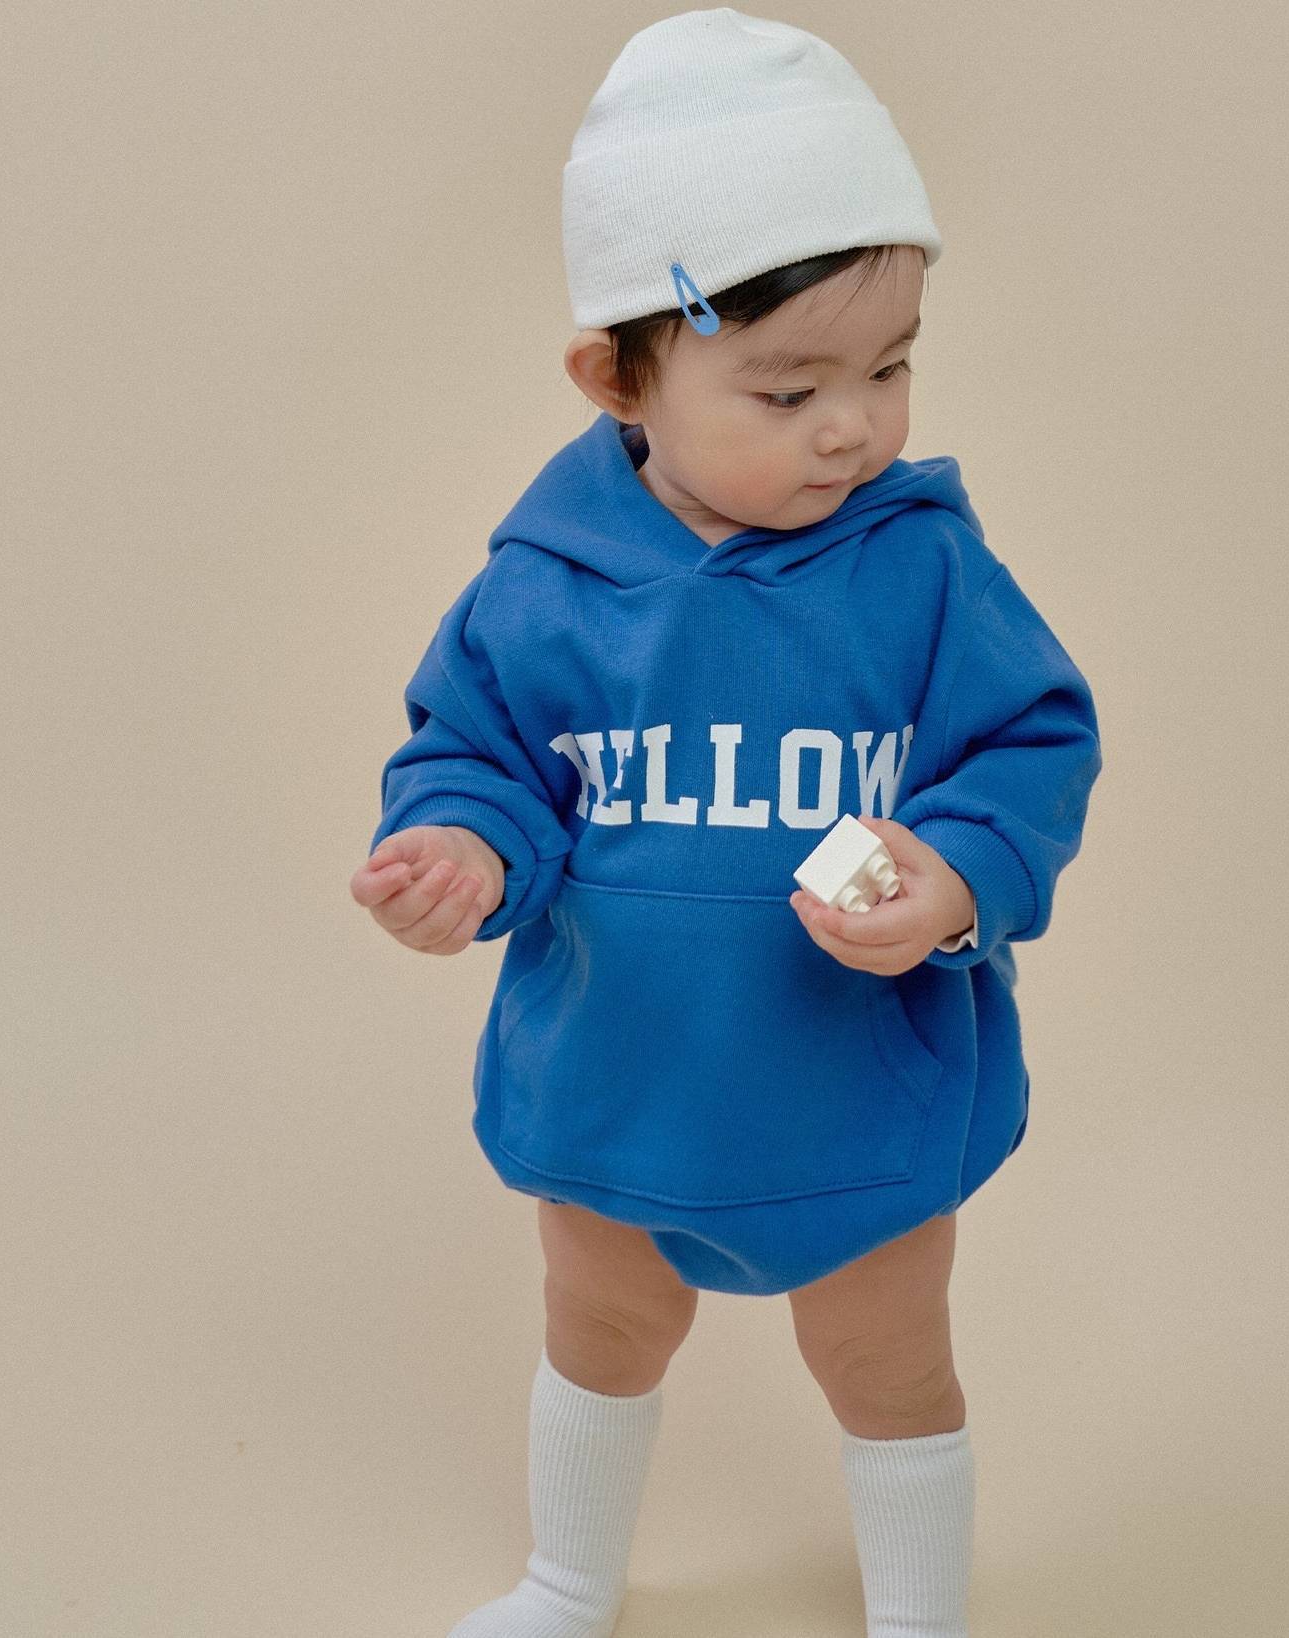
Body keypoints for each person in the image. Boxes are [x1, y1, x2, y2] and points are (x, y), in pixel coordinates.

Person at [347, 10, 1102, 1636]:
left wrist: (952, 870)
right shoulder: (543, 589)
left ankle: (918, 1614)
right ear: (617, 375)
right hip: (618, 1077)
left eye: (889, 368)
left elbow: (1029, 742)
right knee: (599, 1329)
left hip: (855, 1094)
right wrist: (463, 848)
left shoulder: (922, 567)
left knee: (886, 1357)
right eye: (787, 386)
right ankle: (569, 1576)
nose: (852, 426)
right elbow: (477, 755)